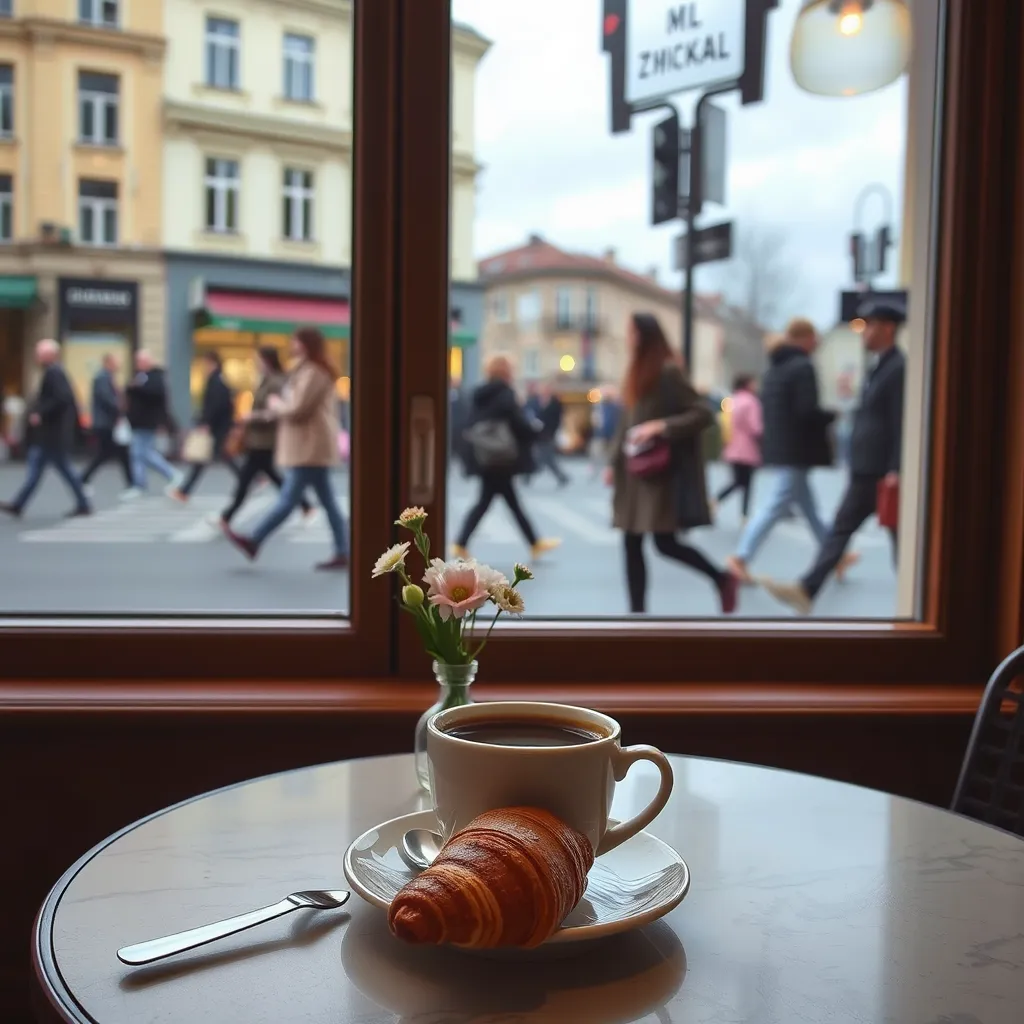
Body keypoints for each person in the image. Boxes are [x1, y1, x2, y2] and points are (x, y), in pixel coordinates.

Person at [761, 299, 907, 614]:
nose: (864, 332)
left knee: (885, 535)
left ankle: (809, 588)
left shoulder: (897, 367)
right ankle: (808, 588)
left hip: (879, 468)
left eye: (870, 326)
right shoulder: (880, 366)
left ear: (888, 328)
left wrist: (895, 467)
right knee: (858, 530)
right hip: (869, 465)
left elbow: (899, 422)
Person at [605, 313, 738, 615]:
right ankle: (636, 613)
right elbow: (626, 422)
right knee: (631, 541)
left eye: (630, 332)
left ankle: (721, 578)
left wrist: (661, 426)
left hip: (655, 475)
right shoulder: (636, 371)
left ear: (643, 335)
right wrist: (612, 464)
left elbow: (702, 413)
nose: (627, 337)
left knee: (664, 542)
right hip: (633, 472)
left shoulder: (667, 371)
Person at [224, 327, 349, 570]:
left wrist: (276, 404)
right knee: (325, 500)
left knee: (289, 498)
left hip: (309, 445)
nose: (292, 344)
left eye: (296, 340)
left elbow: (297, 408)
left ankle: (255, 539)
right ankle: (343, 550)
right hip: (309, 444)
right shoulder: (306, 369)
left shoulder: (314, 371)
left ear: (306, 344)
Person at [726, 319, 838, 584]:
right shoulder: (802, 366)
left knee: (806, 505)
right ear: (804, 338)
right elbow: (806, 410)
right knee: (779, 502)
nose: (818, 342)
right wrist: (831, 416)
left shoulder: (775, 367)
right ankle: (740, 557)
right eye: (814, 336)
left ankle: (835, 554)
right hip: (797, 447)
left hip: (783, 446)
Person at [453, 354, 561, 560]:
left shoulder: (480, 394)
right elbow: (518, 423)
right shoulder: (505, 394)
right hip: (501, 456)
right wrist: (537, 432)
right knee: (494, 502)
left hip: (486, 455)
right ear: (505, 371)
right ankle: (461, 543)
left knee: (497, 501)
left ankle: (533, 542)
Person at [218, 347, 314, 528]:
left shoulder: (275, 382)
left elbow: (277, 411)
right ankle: (305, 505)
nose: (256, 363)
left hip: (265, 439)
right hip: (259, 439)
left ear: (267, 360)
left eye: (258, 359)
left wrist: (252, 417)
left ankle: (226, 517)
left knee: (247, 479)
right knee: (271, 476)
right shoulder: (267, 380)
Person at [0, 339, 91, 519]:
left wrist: (40, 413)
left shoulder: (53, 373)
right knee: (47, 470)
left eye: (40, 352)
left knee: (58, 470)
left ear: (49, 354)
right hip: (51, 435)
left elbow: (62, 398)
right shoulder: (54, 372)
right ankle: (19, 504)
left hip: (51, 434)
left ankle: (83, 504)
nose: (36, 356)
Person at [169, 352, 239, 503]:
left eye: (206, 363)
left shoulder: (215, 381)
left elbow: (215, 405)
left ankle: (184, 491)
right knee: (212, 457)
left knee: (203, 458)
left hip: (216, 427)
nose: (204, 367)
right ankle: (184, 491)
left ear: (212, 363)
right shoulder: (220, 379)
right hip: (219, 425)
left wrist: (206, 422)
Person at [125, 350, 180, 498]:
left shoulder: (155, 377)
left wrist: (136, 389)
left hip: (147, 421)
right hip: (137, 422)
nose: (139, 364)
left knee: (142, 453)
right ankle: (141, 484)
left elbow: (156, 395)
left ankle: (170, 473)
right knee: (139, 453)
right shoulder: (139, 376)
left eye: (141, 361)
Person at [81, 354, 133, 496]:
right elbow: (107, 398)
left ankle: (132, 484)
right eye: (116, 362)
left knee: (117, 453)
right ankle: (83, 479)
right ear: (108, 363)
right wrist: (120, 408)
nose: (118, 365)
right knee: (109, 453)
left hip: (109, 422)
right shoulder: (102, 377)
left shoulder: (107, 377)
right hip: (105, 423)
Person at [713, 375, 762, 524]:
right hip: (748, 449)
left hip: (732, 447)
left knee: (738, 481)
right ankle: (744, 515)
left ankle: (717, 500)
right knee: (746, 483)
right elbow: (756, 428)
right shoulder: (751, 402)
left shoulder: (731, 401)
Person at [525, 382, 569, 487]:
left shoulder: (555, 403)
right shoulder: (533, 401)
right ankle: (560, 477)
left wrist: (552, 430)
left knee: (545, 457)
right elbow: (528, 413)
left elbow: (558, 419)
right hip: (535, 433)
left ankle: (529, 474)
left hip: (548, 434)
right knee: (546, 458)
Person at [589, 386, 623, 479]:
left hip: (612, 434)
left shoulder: (616, 407)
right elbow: (596, 420)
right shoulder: (598, 407)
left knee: (611, 454)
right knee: (596, 452)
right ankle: (595, 469)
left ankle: (609, 470)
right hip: (600, 434)